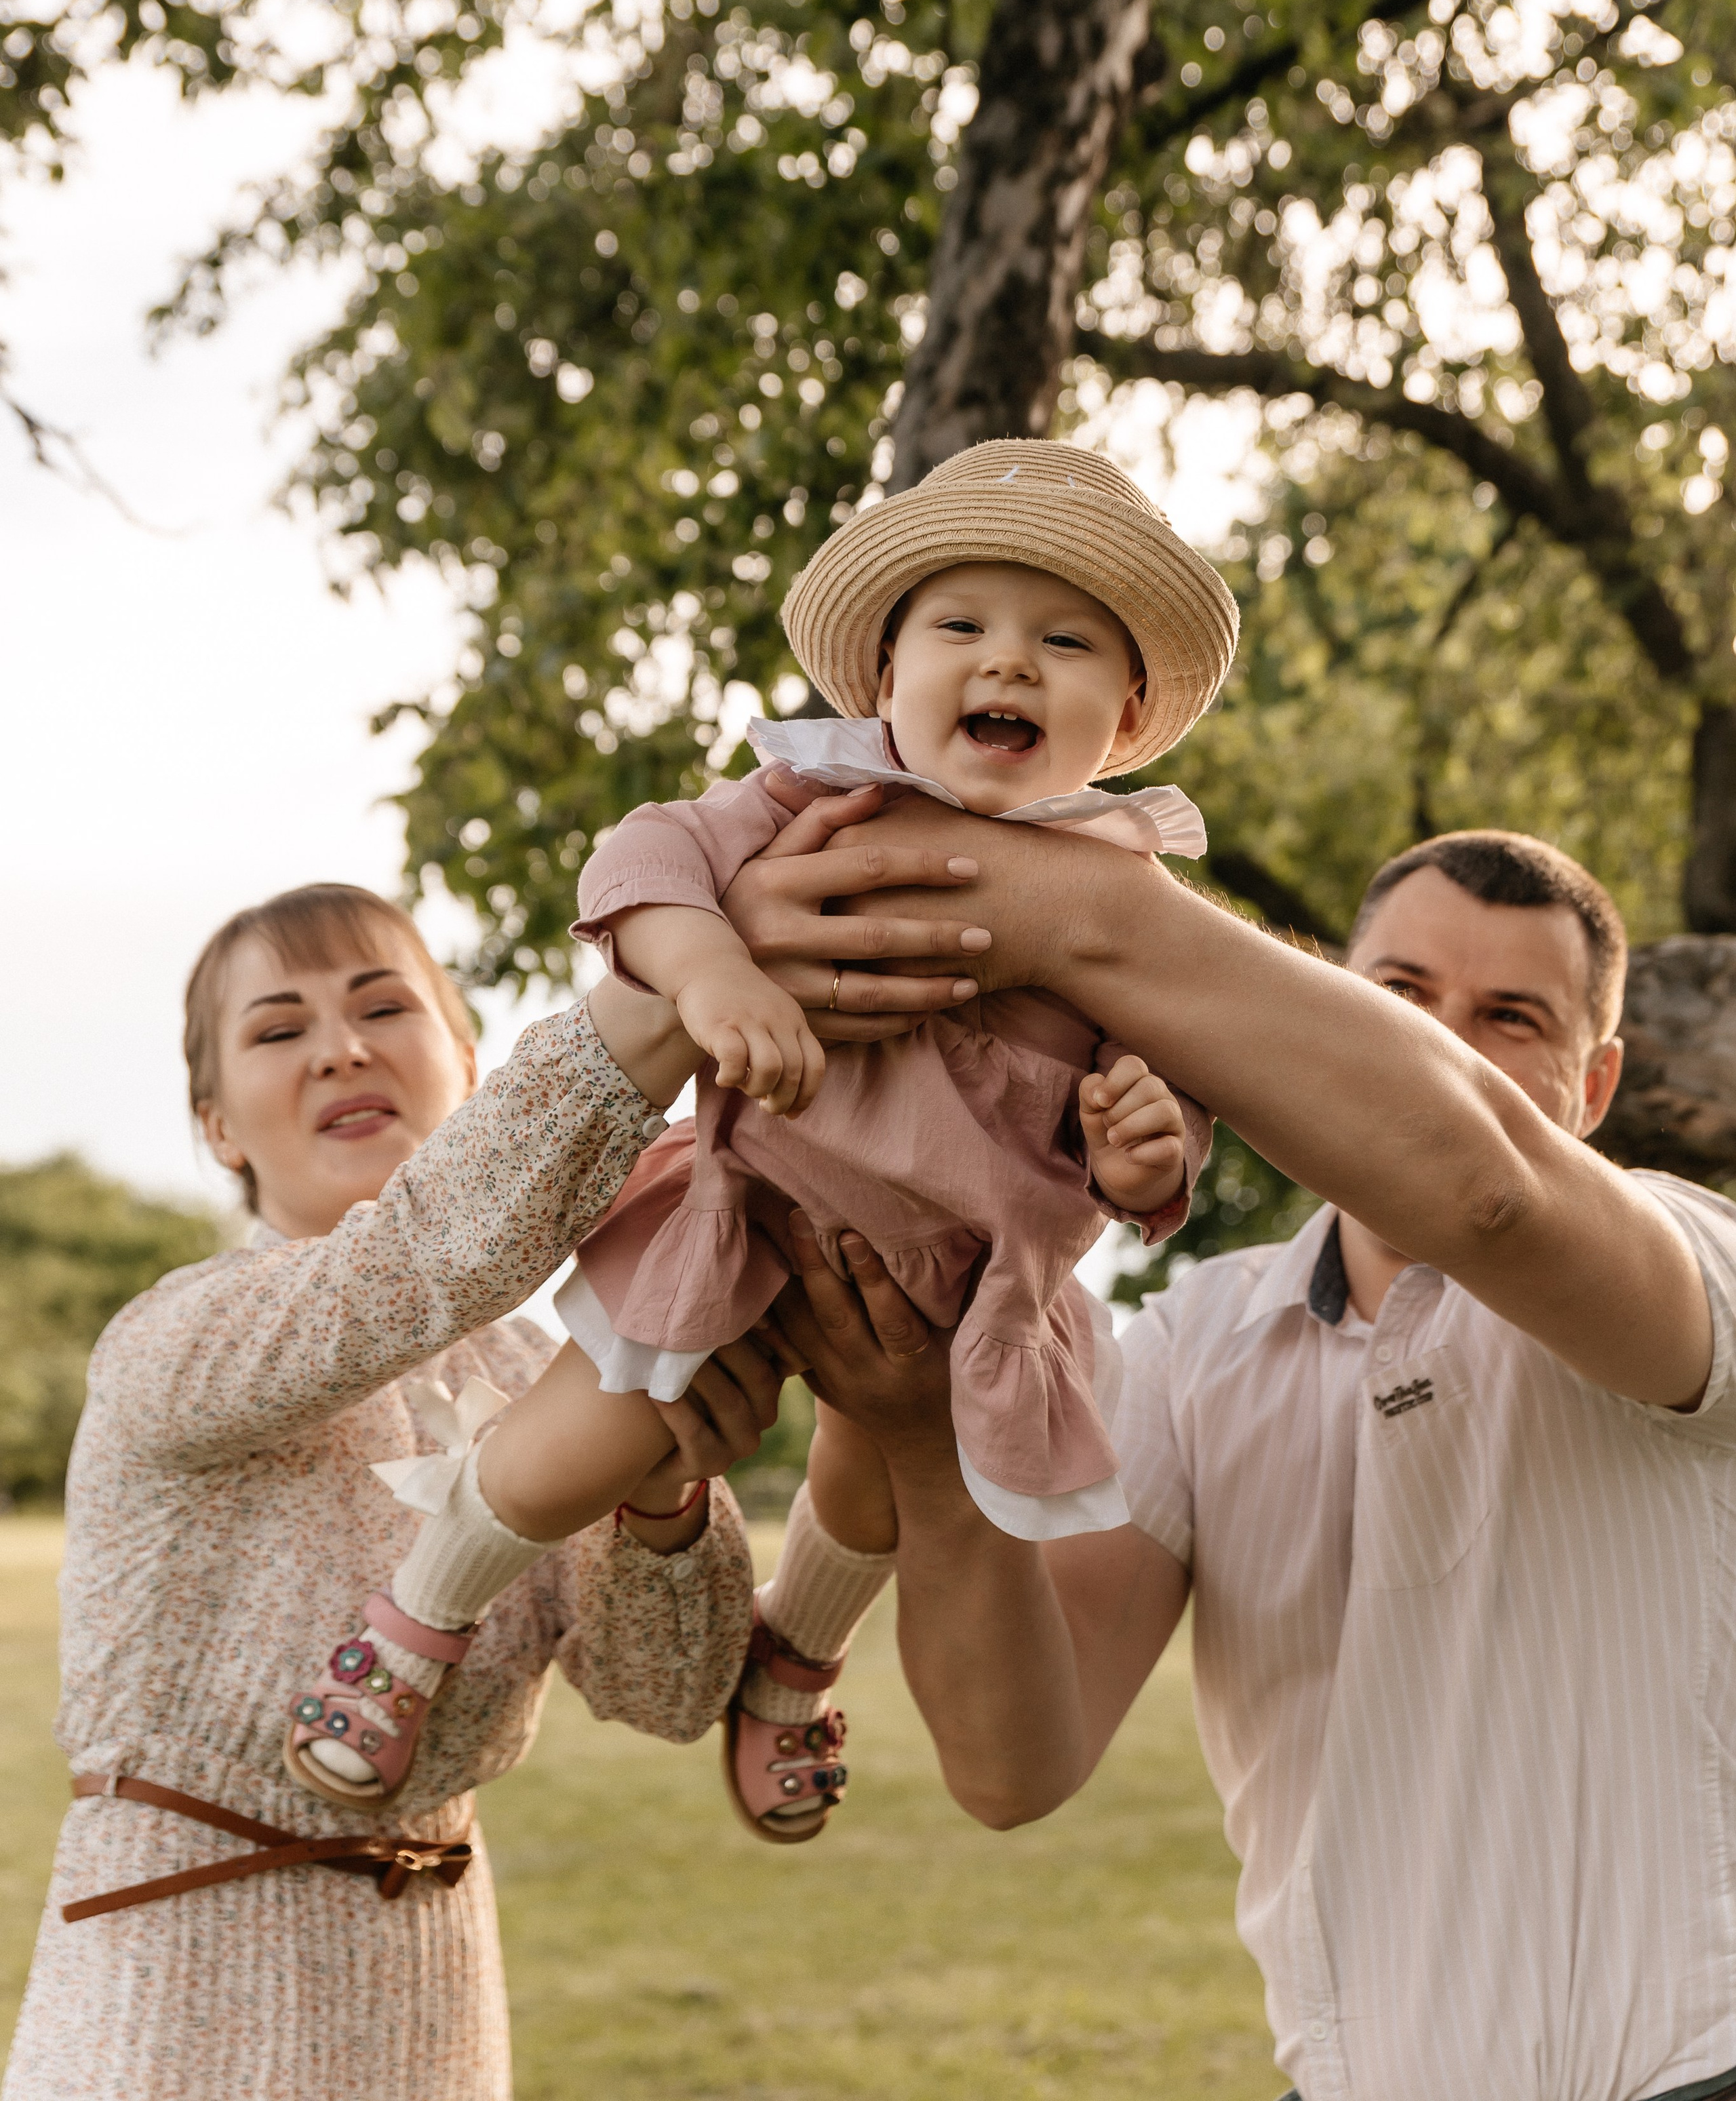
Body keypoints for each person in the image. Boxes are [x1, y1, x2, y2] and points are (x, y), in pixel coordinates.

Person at [728, 810, 1736, 2101]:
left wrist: (1084, 910)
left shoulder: (1689, 1263)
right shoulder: (1197, 1343)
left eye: (1512, 1020)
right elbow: (1010, 1766)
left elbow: (1489, 1189)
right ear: (1327, 1007)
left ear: (1591, 1090)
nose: (1438, 1046)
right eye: (1400, 998)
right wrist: (929, 1450)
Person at [308, 440, 1233, 1840]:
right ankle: (415, 1615)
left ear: (1128, 710)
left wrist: (1144, 1154)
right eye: (962, 628)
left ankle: (790, 1664)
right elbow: (644, 860)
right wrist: (712, 973)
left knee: (869, 1495)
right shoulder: (818, 800)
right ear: (880, 680)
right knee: (578, 1448)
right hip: (749, 1214)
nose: (1011, 664)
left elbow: (1166, 1088)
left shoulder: (1126, 893)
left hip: (956, 1293)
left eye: (1063, 643)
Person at [3, 880, 772, 2101]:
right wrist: (667, 990)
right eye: (277, 1029)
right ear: (217, 1126)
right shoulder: (175, 1342)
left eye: (382, 1008)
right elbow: (416, 1265)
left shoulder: (563, 1376)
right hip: (163, 2009)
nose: (342, 1050)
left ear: (468, 1059)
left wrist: (666, 1511)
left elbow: (666, 1696)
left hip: (433, 2006)